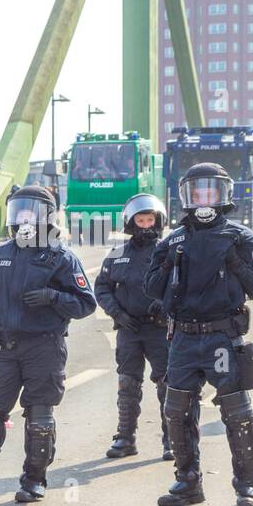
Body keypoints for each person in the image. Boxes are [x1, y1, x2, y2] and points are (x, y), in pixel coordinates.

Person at [144, 162, 253, 506]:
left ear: (223, 195)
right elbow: (152, 288)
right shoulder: (174, 240)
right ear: (186, 197)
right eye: (196, 192)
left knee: (237, 412)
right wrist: (170, 262)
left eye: (209, 191)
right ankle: (187, 482)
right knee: (177, 411)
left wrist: (236, 263)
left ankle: (247, 485)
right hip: (183, 338)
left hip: (222, 336)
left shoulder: (240, 237)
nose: (203, 199)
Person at [0, 185, 96, 504]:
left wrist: (54, 297)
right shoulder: (0, 254)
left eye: (30, 212)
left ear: (46, 216)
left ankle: (34, 479)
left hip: (44, 347)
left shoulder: (60, 256)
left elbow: (85, 303)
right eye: (18, 211)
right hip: (5, 348)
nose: (23, 219)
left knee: (39, 420)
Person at [95, 194, 171, 460]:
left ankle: (172, 439)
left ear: (158, 220)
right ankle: (126, 438)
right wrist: (117, 312)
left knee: (167, 383)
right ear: (131, 222)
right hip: (128, 328)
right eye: (141, 219)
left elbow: (183, 286)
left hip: (160, 329)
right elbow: (102, 288)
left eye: (150, 219)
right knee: (127, 383)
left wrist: (166, 306)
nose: (146, 224)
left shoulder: (169, 250)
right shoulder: (117, 253)